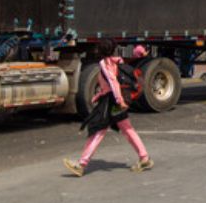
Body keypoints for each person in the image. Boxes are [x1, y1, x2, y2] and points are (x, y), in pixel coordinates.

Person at [63, 40, 153, 177]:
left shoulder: (105, 63)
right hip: (113, 101)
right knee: (127, 129)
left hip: (112, 102)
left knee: (97, 131)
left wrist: (119, 100)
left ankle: (81, 164)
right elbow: (109, 83)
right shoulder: (116, 61)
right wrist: (99, 95)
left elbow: (113, 82)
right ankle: (144, 157)